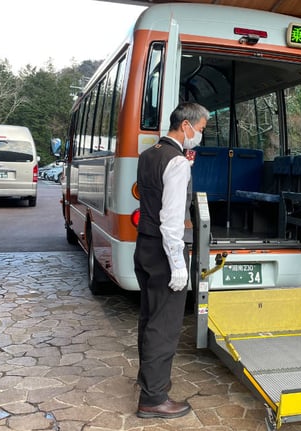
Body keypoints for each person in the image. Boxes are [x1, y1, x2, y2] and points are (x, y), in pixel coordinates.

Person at [134, 102, 209, 419]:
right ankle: (154, 398)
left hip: (145, 246)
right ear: (186, 126)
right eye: (201, 129)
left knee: (149, 317)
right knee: (164, 326)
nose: (200, 135)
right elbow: (172, 219)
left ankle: (149, 380)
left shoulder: (148, 155)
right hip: (165, 252)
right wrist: (178, 264)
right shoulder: (177, 162)